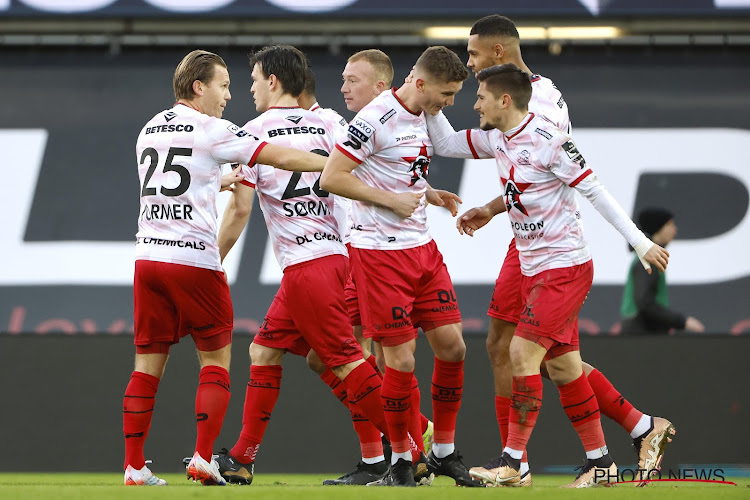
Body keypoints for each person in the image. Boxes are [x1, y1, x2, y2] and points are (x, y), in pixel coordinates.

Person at [444, 14, 676, 487]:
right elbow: (490, 157)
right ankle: (623, 440)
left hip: (558, 253)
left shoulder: (542, 112)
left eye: (472, 56)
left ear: (500, 57)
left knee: (521, 352)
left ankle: (515, 460)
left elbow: (578, 182)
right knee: (540, 356)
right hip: (527, 245)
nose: (469, 70)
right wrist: (492, 206)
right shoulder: (501, 127)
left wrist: (640, 242)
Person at [125, 49, 329, 487]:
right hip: (195, 260)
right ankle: (203, 458)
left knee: (145, 365)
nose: (229, 96)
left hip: (148, 259)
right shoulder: (215, 130)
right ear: (199, 87)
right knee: (215, 361)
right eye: (223, 86)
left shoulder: (149, 128)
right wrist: (331, 163)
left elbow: (183, 179)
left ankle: (134, 466)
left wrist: (221, 180)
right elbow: (281, 157)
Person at [212, 44, 410, 485]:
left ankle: (414, 444)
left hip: (306, 264)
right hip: (342, 255)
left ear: (274, 82)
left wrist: (213, 261)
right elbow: (372, 175)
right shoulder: (335, 123)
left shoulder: (254, 132)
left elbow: (240, 209)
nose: (250, 90)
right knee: (265, 351)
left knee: (344, 361)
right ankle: (243, 458)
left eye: (254, 81)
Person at [320, 46, 481, 488]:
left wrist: (429, 193)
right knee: (401, 360)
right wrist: (392, 201)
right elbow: (331, 177)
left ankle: (444, 453)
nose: (449, 102)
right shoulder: (373, 119)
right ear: (421, 83)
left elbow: (401, 168)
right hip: (378, 256)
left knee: (453, 347)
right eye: (447, 94)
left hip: (423, 249)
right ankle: (401, 461)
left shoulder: (424, 116)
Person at [302, 54, 445, 486]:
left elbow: (342, 176)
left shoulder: (384, 119)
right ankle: (404, 444)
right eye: (342, 79)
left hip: (368, 255)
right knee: (336, 356)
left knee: (366, 355)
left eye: (352, 80)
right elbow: (379, 172)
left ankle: (401, 450)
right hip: (357, 253)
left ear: (382, 86)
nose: (343, 87)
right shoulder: (359, 123)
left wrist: (424, 194)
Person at [621, 208, 705, 334]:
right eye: (670, 224)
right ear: (657, 229)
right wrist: (681, 321)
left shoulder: (647, 257)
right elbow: (644, 303)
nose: (675, 229)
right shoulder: (648, 259)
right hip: (642, 334)